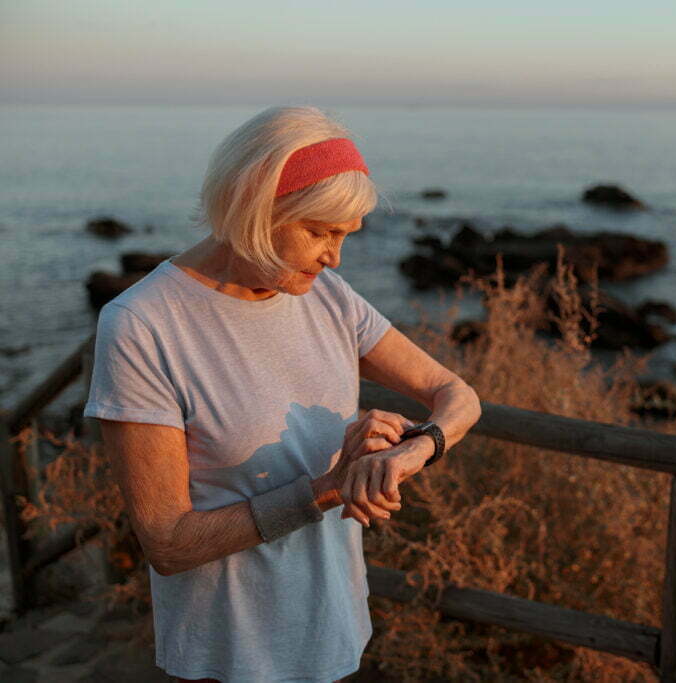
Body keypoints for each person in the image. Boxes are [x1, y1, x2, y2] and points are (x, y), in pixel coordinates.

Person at [84, 106, 481, 683]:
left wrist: (413, 451)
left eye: (344, 236)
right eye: (319, 232)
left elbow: (456, 393)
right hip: (229, 656)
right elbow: (167, 544)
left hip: (338, 630)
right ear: (253, 206)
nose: (334, 256)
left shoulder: (329, 297)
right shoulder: (142, 325)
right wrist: (326, 489)